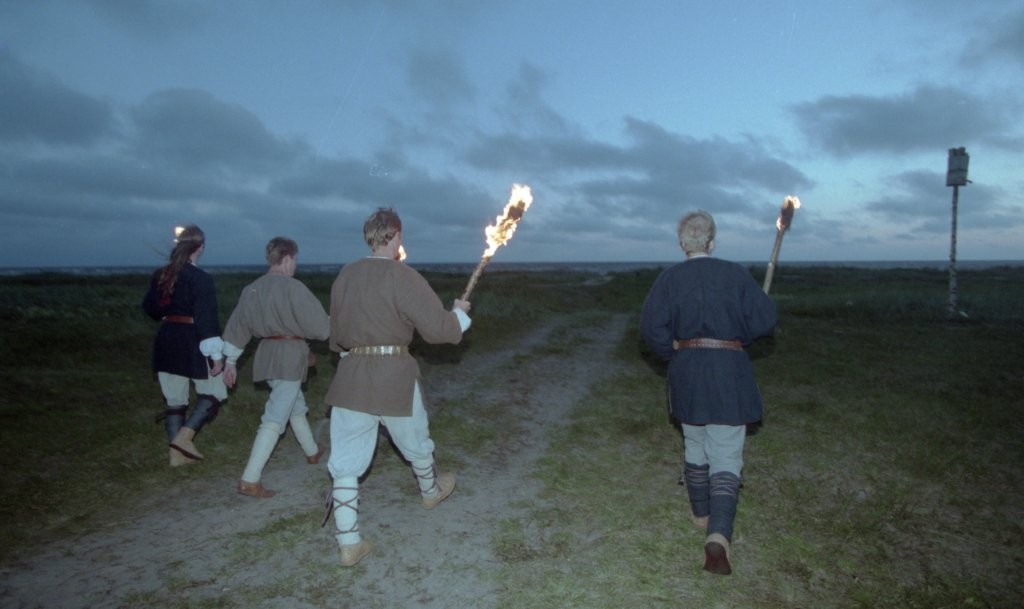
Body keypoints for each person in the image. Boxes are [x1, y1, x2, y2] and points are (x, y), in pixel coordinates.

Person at [324, 207, 471, 567]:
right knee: (415, 440)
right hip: (393, 375)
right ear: (397, 235)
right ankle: (430, 490)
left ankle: (348, 543)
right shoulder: (403, 275)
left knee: (345, 463)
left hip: (352, 376)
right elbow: (439, 330)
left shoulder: (345, 274)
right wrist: (459, 316)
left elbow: (336, 335)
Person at [639, 210, 777, 576]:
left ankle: (700, 513)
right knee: (726, 452)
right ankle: (717, 533)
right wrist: (749, 324)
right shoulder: (735, 274)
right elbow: (764, 322)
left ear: (682, 244)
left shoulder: (669, 279)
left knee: (695, 441)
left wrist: (673, 354)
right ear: (711, 242)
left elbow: (651, 328)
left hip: (687, 370)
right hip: (728, 370)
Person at [221, 237, 330, 498]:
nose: (295, 265)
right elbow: (320, 327)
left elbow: (238, 327)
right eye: (295, 260)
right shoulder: (293, 288)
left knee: (293, 405)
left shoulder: (252, 289)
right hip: (289, 357)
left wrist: (230, 362)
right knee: (275, 417)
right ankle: (250, 479)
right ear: (288, 258)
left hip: (266, 356)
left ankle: (312, 451)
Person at [142, 224, 227, 467]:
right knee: (215, 391)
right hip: (192, 340)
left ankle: (176, 455)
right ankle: (183, 440)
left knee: (175, 400)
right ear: (200, 247)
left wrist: (169, 312)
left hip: (167, 338)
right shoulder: (201, 278)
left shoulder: (161, 275)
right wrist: (216, 356)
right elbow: (206, 319)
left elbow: (150, 309)